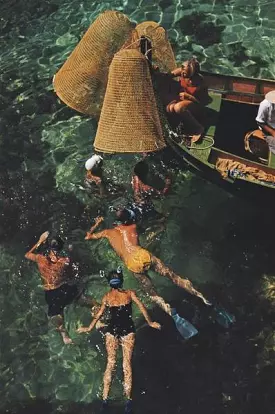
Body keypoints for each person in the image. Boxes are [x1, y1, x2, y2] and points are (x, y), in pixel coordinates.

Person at [85, 216, 211, 319]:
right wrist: (161, 223)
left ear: (114, 225)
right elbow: (149, 225)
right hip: (143, 255)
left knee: (151, 291)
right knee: (172, 276)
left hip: (132, 263)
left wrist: (96, 223)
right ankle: (201, 296)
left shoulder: (108, 232)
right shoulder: (132, 226)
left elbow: (88, 236)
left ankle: (171, 312)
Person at [77, 268, 161, 413]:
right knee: (126, 365)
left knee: (110, 363)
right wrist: (150, 322)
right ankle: (128, 401)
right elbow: (141, 307)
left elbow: (98, 315)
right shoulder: (130, 293)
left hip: (112, 331)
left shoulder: (107, 297)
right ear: (121, 281)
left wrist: (89, 328)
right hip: (127, 331)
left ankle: (104, 400)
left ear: (109, 283)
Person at [25, 231, 99, 344]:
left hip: (50, 293)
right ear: (60, 247)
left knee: (56, 314)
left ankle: (65, 337)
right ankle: (96, 315)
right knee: (80, 297)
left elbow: (27, 254)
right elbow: (71, 274)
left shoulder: (40, 259)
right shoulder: (65, 261)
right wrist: (71, 251)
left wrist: (40, 240)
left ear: (49, 247)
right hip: (64, 290)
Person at [166, 57, 209, 142]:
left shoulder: (201, 84)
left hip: (196, 105)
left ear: (193, 74)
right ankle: (182, 124)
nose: (182, 73)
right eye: (182, 70)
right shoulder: (182, 71)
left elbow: (202, 104)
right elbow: (167, 75)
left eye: (185, 73)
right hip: (183, 99)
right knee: (169, 108)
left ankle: (199, 128)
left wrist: (189, 96)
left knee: (178, 108)